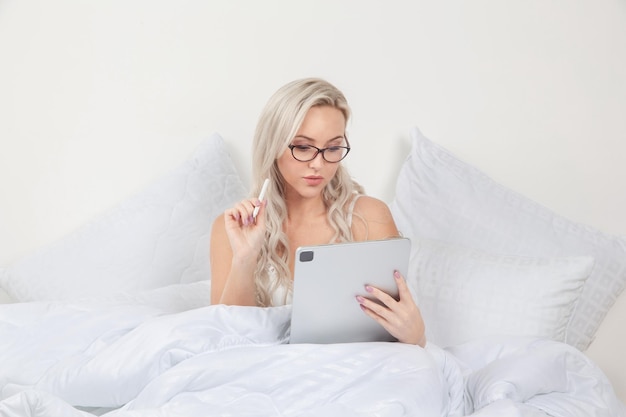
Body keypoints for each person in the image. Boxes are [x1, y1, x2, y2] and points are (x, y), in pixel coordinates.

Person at [210, 78, 426, 346]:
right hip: (268, 376)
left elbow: (398, 336)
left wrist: (415, 334)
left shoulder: (368, 216)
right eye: (303, 147)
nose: (318, 163)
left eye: (333, 148)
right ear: (273, 145)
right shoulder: (232, 227)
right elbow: (228, 341)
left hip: (355, 375)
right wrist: (244, 258)